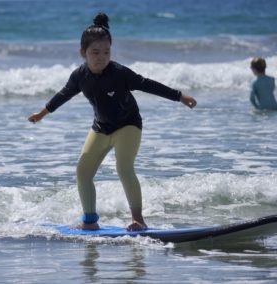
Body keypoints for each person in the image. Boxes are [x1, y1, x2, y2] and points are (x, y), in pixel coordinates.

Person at [28, 13, 197, 231]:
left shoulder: (119, 73)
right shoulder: (79, 76)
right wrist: (42, 114)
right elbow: (63, 95)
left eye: (106, 52)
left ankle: (138, 220)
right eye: (95, 52)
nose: (101, 57)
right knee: (83, 171)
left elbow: (148, 84)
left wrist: (180, 96)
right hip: (101, 127)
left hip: (128, 124)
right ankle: (89, 220)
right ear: (83, 53)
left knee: (124, 168)